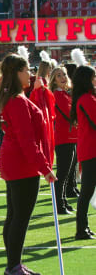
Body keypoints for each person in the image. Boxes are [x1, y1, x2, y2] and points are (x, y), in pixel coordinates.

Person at [0, 54, 56, 275]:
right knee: (19, 218)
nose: (30, 74)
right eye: (26, 70)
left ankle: (14, 264)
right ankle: (13, 266)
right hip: (22, 164)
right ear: (16, 73)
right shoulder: (17, 100)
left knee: (14, 216)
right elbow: (27, 140)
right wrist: (44, 167)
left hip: (16, 162)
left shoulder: (14, 97)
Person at [69, 64, 96, 240]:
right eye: (94, 77)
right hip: (91, 149)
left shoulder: (87, 98)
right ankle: (81, 228)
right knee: (87, 190)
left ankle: (83, 227)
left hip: (90, 148)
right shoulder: (87, 99)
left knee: (87, 190)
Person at [49, 67, 76, 215]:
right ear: (54, 80)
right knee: (63, 173)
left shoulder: (65, 94)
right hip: (64, 137)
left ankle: (63, 201)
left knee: (67, 173)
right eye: (58, 75)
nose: (62, 77)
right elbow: (69, 113)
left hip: (70, 136)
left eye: (64, 74)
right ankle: (59, 205)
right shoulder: (58, 95)